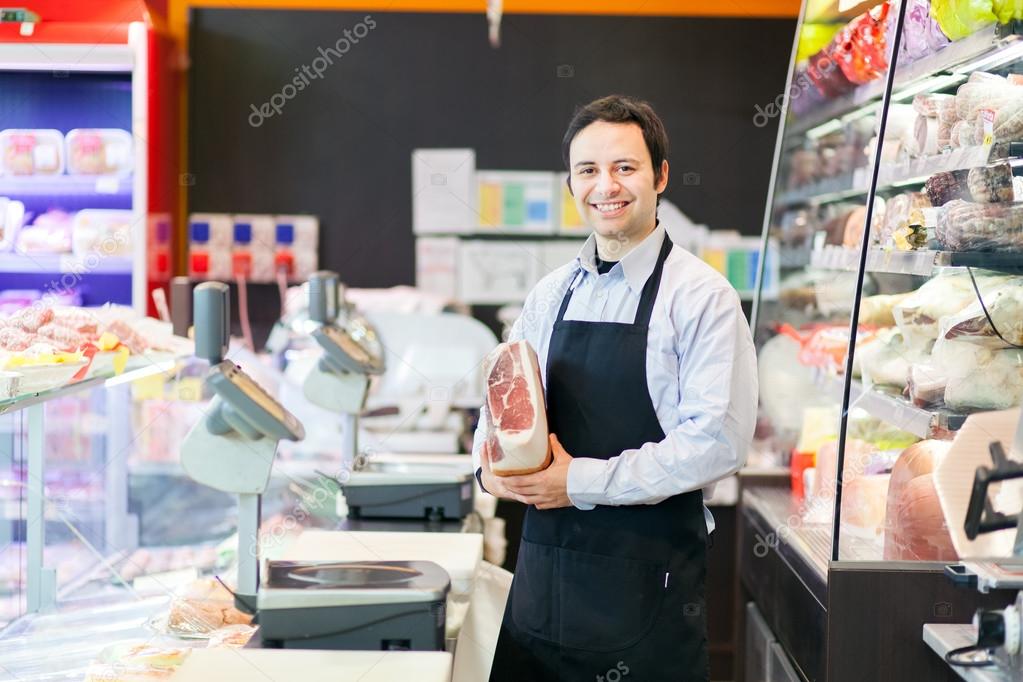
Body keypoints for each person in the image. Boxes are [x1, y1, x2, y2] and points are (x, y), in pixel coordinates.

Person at [471, 95, 757, 681]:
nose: (607, 185)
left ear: (661, 176)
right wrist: (489, 467)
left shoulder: (701, 298)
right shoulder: (551, 294)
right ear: (571, 184)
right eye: (588, 170)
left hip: (646, 601)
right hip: (542, 595)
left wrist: (576, 482)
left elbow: (716, 444)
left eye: (625, 167)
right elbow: (499, 410)